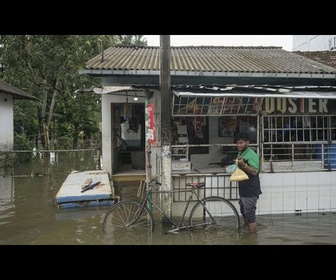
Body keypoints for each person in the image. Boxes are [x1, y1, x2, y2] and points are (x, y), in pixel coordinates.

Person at [234, 132, 262, 233]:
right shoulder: (241, 153)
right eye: (237, 143)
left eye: (241, 143)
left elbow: (255, 171)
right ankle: (247, 234)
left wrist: (244, 165)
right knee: (244, 211)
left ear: (247, 143)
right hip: (243, 188)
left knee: (250, 214)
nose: (238, 145)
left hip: (250, 189)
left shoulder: (251, 154)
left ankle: (252, 238)